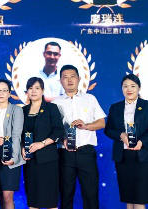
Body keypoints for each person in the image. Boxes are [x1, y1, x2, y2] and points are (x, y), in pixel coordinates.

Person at [52, 64, 105, 209]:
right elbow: (52, 129)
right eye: (65, 77)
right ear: (60, 81)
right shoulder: (55, 103)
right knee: (66, 194)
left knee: (91, 194)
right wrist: (62, 138)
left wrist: (86, 126)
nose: (69, 80)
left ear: (79, 79)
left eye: (72, 76)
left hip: (86, 152)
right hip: (64, 154)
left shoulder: (90, 98)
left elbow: (102, 123)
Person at [105, 73, 148, 209]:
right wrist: (121, 135)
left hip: (144, 156)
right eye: (125, 86)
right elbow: (108, 129)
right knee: (128, 196)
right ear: (121, 88)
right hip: (123, 156)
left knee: (140, 197)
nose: (129, 89)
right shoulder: (115, 107)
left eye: (133, 86)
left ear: (139, 88)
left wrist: (142, 142)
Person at [20, 77, 63, 209]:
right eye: (30, 88)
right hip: (30, 160)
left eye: (37, 88)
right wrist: (22, 147)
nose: (33, 91)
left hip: (48, 159)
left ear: (43, 90)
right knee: (33, 200)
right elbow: (20, 133)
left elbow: (59, 131)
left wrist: (42, 143)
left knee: (50, 200)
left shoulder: (51, 108)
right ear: (27, 91)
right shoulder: (23, 110)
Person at [0, 79, 25, 209]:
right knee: (0, 195)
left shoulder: (16, 110)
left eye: (4, 90)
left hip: (11, 152)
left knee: (7, 196)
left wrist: (14, 157)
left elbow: (16, 135)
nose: (0, 93)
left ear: (9, 93)